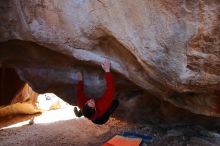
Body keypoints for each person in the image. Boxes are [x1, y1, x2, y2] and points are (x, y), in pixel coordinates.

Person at [74, 59, 119, 125]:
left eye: (87, 102)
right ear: (95, 108)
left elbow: (79, 91)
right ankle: (108, 112)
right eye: (92, 104)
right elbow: (110, 90)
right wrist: (107, 70)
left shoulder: (81, 103)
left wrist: (80, 80)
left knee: (85, 110)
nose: (90, 100)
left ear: (84, 104)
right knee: (116, 102)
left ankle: (78, 114)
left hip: (88, 112)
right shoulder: (101, 106)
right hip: (101, 119)